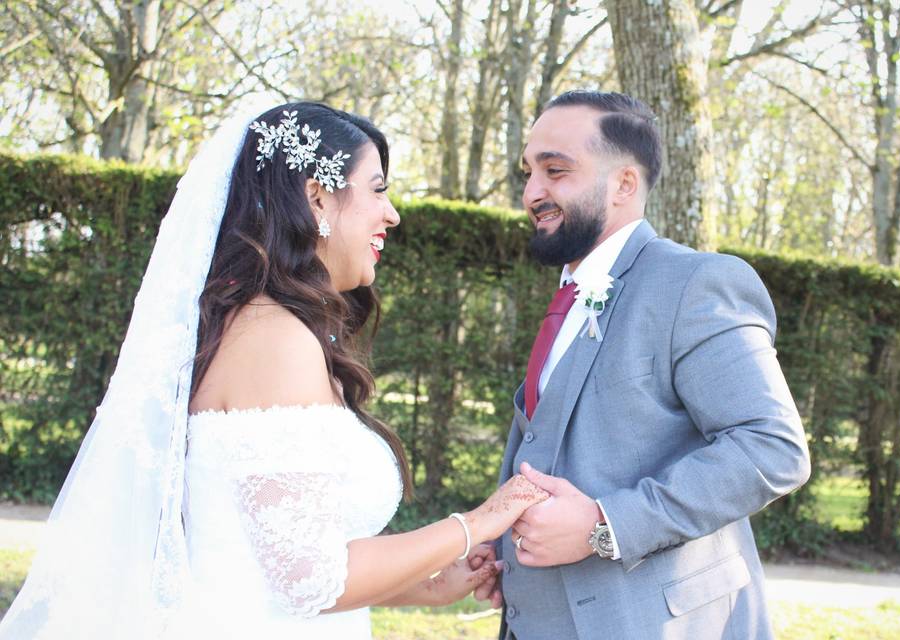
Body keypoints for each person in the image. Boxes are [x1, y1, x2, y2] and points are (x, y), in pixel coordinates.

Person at [0, 102, 546, 639]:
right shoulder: (274, 337)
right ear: (316, 199)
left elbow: (274, 563)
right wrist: (476, 523)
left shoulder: (268, 326)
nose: (392, 213)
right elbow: (311, 582)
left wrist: (424, 586)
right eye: (378, 189)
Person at [486, 90, 811, 639]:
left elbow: (771, 447)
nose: (532, 192)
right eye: (528, 172)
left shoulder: (695, 283)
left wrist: (604, 525)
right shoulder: (570, 294)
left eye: (555, 170)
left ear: (624, 184)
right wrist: (497, 550)